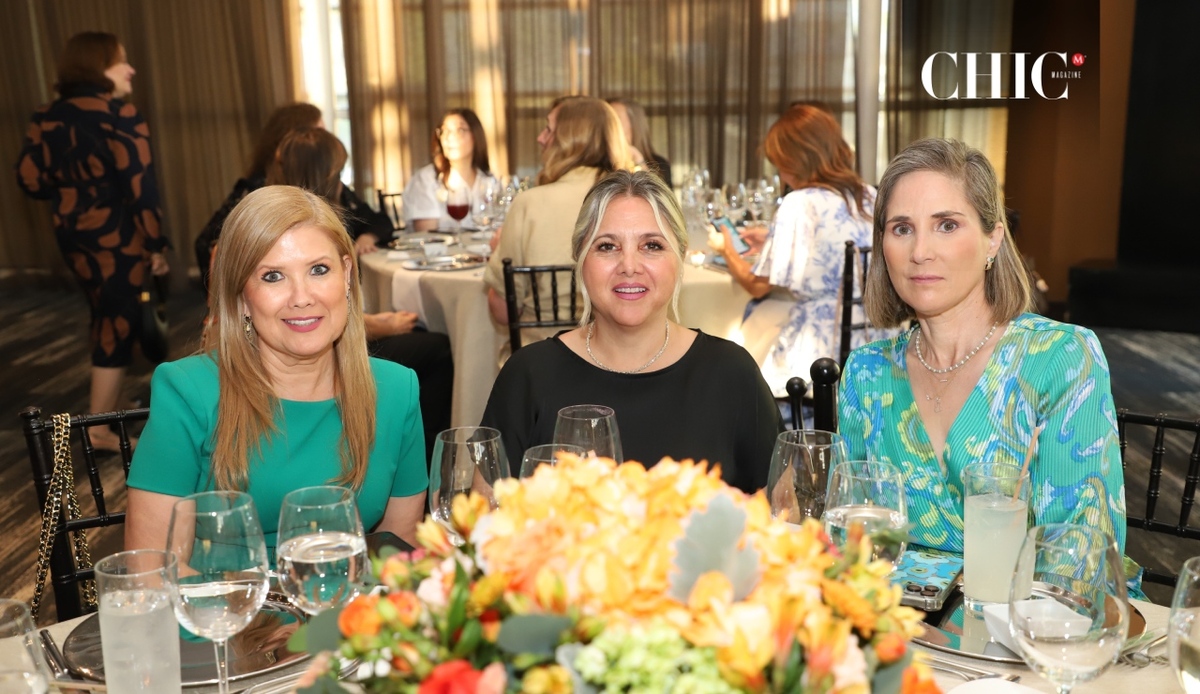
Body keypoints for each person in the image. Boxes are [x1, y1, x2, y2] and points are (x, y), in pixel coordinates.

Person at [838, 137, 1126, 555]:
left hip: (1030, 616)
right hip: (893, 616)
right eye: (902, 228)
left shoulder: (1058, 359)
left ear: (993, 240)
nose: (920, 252)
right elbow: (848, 542)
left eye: (947, 225)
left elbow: (1080, 557)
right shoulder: (866, 372)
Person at [124, 186, 428, 553]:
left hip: (349, 608)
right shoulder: (187, 392)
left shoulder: (397, 390)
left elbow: (398, 555)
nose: (302, 297)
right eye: (273, 276)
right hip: (228, 607)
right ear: (241, 296)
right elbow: (153, 571)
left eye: (318, 270)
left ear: (346, 275)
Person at [480, 171, 781, 493]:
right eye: (607, 246)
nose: (629, 265)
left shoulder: (731, 374)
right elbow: (483, 517)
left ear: (679, 258)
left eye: (651, 245)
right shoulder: (528, 375)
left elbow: (780, 508)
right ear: (580, 260)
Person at [16, 31, 170, 452]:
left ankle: (114, 402)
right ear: (98, 67)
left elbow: (29, 181)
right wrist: (156, 244)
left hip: (72, 235)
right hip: (116, 236)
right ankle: (99, 429)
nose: (131, 69)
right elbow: (141, 188)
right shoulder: (120, 115)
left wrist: (74, 187)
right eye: (122, 61)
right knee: (117, 318)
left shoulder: (45, 116)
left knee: (104, 312)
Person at [269, 126, 454, 453]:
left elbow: (379, 220)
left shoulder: (332, 204)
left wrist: (366, 237)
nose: (340, 178)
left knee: (422, 336)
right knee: (437, 348)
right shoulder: (307, 223)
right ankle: (418, 453)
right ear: (324, 172)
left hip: (334, 336)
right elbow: (310, 314)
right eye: (337, 171)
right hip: (324, 350)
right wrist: (382, 325)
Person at [714, 105, 877, 398]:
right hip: (873, 339)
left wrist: (727, 250)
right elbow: (838, 245)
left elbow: (757, 286)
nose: (780, 173)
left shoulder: (799, 204)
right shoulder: (870, 196)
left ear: (795, 160)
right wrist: (771, 240)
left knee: (745, 339)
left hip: (818, 351)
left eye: (779, 163)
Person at [484, 97, 634, 349]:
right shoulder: (636, 201)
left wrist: (497, 253)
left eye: (549, 130)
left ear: (571, 140)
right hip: (623, 355)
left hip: (542, 357)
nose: (540, 138)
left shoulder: (529, 204)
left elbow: (502, 310)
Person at [194, 103, 390, 286]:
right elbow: (212, 246)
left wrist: (368, 236)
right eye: (316, 133)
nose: (324, 140)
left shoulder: (331, 185)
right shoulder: (261, 197)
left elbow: (376, 220)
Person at [403, 108, 498, 232]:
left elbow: (500, 226)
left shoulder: (488, 180)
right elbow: (427, 235)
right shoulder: (427, 179)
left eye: (460, 130)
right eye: (445, 131)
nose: (450, 138)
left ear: (475, 136)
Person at [607, 97, 672, 187]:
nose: (609, 125)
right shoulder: (601, 163)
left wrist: (639, 161)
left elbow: (661, 199)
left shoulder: (659, 164)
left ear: (634, 124)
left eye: (615, 118)